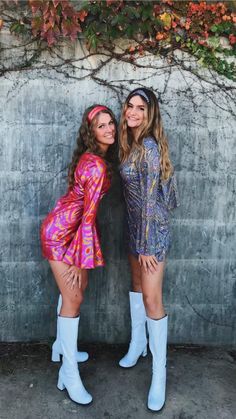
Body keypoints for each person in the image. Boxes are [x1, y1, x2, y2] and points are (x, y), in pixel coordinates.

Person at [40, 105, 117, 405]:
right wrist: (78, 260)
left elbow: (85, 214)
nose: (109, 128)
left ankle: (62, 346)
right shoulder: (96, 165)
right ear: (91, 132)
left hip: (66, 230)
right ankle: (68, 373)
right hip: (60, 235)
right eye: (102, 126)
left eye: (111, 123)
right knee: (74, 297)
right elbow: (87, 218)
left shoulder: (93, 159)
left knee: (74, 292)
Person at [119, 88, 179, 411]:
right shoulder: (131, 144)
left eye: (141, 108)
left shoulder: (150, 148)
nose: (133, 112)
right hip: (134, 228)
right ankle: (138, 343)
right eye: (130, 106)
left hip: (151, 233)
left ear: (150, 113)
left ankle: (159, 375)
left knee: (152, 298)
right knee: (137, 287)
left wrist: (144, 244)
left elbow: (151, 203)